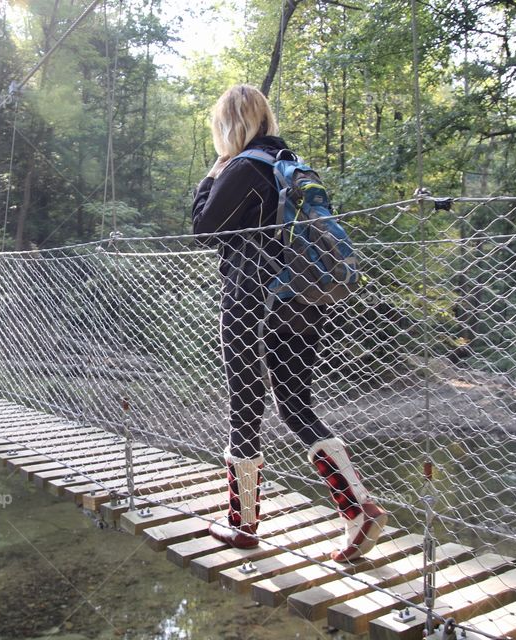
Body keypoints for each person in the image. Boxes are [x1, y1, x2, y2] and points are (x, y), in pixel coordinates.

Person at [190, 84, 387, 562]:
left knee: (245, 407)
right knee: (295, 406)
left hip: (251, 300)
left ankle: (243, 526)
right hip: (303, 300)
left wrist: (211, 175)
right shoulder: (293, 167)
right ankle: (359, 508)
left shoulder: (241, 168)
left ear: (228, 125)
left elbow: (201, 228)